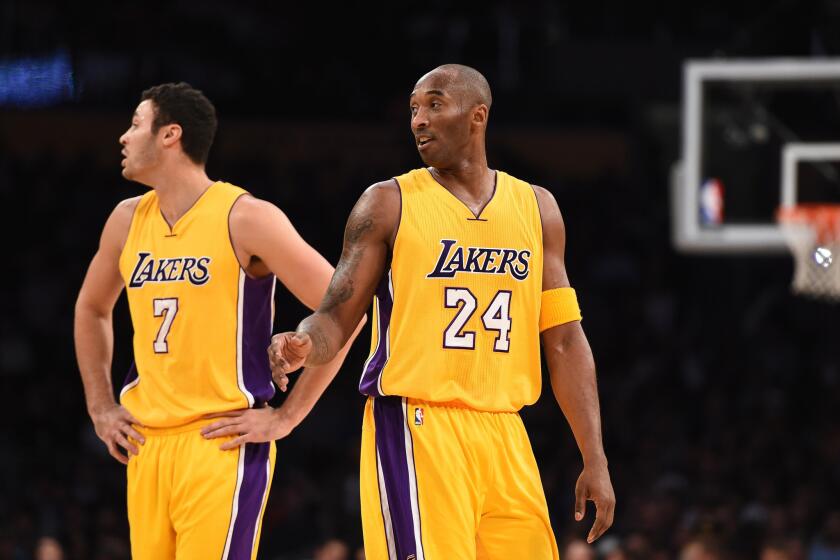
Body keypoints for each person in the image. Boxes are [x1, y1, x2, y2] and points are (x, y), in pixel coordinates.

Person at [268, 64, 615, 559]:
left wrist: (594, 455)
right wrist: (303, 341)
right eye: (413, 109)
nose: (419, 120)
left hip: (505, 431)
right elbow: (334, 314)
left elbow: (563, 338)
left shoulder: (538, 208)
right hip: (416, 425)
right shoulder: (388, 202)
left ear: (478, 116)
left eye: (434, 104)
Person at [74, 82, 360, 560]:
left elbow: (345, 308)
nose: (123, 137)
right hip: (147, 444)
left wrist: (288, 417)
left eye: (136, 124)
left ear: (171, 135)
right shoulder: (125, 221)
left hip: (220, 443)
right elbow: (91, 308)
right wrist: (101, 407)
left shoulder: (245, 217)